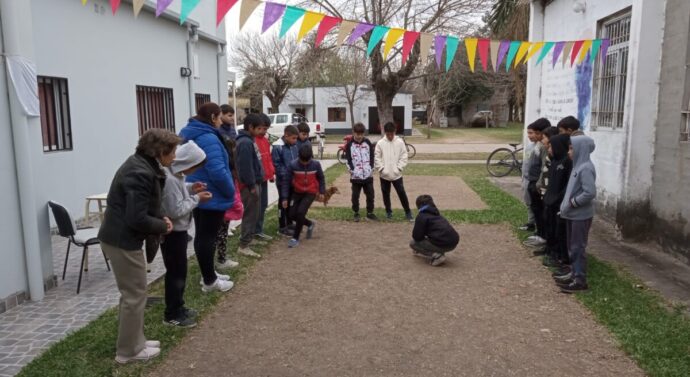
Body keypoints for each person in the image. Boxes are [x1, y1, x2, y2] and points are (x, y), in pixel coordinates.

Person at [98, 129, 178, 364]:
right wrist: (163, 227)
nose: (174, 157)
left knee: (133, 294)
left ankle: (136, 341)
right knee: (134, 295)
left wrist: (160, 218)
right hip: (122, 241)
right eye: (172, 152)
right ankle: (128, 352)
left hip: (122, 238)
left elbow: (148, 205)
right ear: (161, 152)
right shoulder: (139, 172)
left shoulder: (142, 165)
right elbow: (136, 218)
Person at [179, 103, 235, 293]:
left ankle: (209, 273)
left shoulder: (193, 132)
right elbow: (217, 170)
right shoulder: (208, 138)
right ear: (213, 117)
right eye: (219, 117)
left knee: (202, 235)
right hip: (212, 193)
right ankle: (210, 281)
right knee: (207, 237)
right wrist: (230, 190)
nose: (221, 121)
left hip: (199, 189)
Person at [160, 141, 214, 328]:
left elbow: (181, 194)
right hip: (172, 233)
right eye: (195, 166)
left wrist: (192, 188)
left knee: (180, 272)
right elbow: (175, 209)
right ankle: (171, 314)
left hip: (179, 232)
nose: (195, 170)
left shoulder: (176, 176)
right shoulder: (170, 180)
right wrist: (197, 199)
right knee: (175, 273)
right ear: (187, 163)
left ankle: (179, 307)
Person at [555, 135, 597, 293]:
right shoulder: (577, 166)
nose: (569, 152)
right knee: (571, 246)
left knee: (578, 247)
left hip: (580, 215)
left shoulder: (585, 168)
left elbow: (589, 192)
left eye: (572, 148)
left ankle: (580, 280)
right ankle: (573, 273)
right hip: (571, 214)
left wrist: (573, 203)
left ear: (581, 149)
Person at [281, 145, 325, 248]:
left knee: (300, 212)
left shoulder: (316, 164)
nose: (305, 163)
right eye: (302, 161)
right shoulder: (292, 165)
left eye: (307, 161)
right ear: (298, 156)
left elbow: (321, 178)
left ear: (311, 157)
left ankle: (295, 238)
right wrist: (284, 198)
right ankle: (309, 223)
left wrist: (321, 191)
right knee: (291, 214)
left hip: (310, 193)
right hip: (297, 192)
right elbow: (286, 182)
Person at [235, 113, 265, 258]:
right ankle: (244, 245)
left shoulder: (250, 140)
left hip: (255, 182)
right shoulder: (245, 143)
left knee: (255, 213)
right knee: (250, 214)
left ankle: (250, 239)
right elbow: (245, 167)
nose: (261, 131)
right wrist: (251, 185)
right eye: (259, 128)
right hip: (249, 186)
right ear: (250, 127)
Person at [542, 134, 572, 269]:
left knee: (559, 231)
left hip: (558, 203)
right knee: (550, 228)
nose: (549, 149)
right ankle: (550, 250)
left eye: (551, 147)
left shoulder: (567, 162)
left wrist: (558, 199)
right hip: (550, 202)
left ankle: (561, 256)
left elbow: (567, 186)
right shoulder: (554, 161)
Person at [375, 122, 413, 221]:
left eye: (392, 134)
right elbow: (377, 158)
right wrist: (382, 169)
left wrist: (399, 168)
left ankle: (408, 212)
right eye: (388, 134)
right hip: (384, 175)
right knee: (386, 194)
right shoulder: (380, 143)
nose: (390, 136)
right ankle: (388, 212)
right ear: (385, 132)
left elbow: (404, 156)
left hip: (397, 175)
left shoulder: (400, 142)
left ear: (395, 132)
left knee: (401, 193)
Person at [410, 195, 460, 267]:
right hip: (454, 242)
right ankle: (439, 252)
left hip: (444, 243)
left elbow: (416, 237)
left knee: (413, 243)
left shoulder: (421, 216)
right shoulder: (436, 213)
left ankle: (437, 256)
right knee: (430, 239)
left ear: (418, 206)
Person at [523, 118, 550, 247]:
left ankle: (542, 235)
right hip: (531, 182)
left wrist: (539, 184)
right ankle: (539, 232)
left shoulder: (544, 148)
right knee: (535, 208)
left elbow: (544, 167)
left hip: (538, 184)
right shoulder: (535, 146)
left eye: (535, 133)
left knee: (540, 210)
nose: (531, 136)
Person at [345, 122, 377, 222]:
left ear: (363, 133)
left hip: (368, 175)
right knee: (355, 196)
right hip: (356, 176)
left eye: (361, 134)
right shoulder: (349, 145)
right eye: (357, 134)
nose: (359, 136)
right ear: (353, 132)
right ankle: (356, 212)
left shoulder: (367, 142)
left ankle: (370, 213)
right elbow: (348, 159)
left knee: (370, 194)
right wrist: (352, 170)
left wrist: (371, 168)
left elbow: (372, 157)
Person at [272, 125, 300, 236]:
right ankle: (282, 226)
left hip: (293, 180)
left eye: (296, 138)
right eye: (293, 138)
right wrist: (288, 174)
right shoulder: (277, 147)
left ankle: (289, 222)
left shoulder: (294, 145)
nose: (295, 141)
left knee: (291, 202)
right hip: (283, 181)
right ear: (286, 135)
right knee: (283, 202)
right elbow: (277, 165)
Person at [255, 114, 276, 241]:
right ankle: (251, 232)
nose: (264, 131)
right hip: (256, 180)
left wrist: (271, 173)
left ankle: (259, 230)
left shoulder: (265, 141)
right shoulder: (252, 141)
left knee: (263, 205)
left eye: (266, 129)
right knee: (255, 207)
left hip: (265, 178)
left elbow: (268, 159)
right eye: (262, 128)